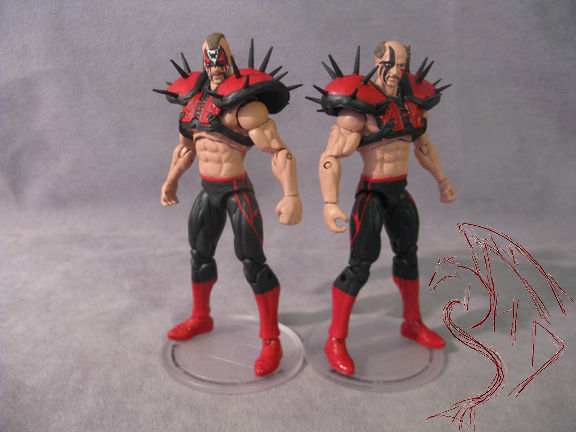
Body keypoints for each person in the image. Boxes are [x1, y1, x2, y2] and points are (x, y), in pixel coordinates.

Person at [154, 33, 302, 377]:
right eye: (210, 61)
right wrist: (171, 179)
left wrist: (291, 194)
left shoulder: (245, 107)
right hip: (208, 191)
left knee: (254, 263)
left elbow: (278, 150)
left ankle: (271, 339)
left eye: (221, 61)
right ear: (203, 63)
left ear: (230, 60)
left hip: (237, 192)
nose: (216, 67)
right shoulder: (192, 104)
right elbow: (186, 148)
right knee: (199, 256)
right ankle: (201, 318)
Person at [309, 41, 456, 376]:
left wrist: (441, 179)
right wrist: (329, 202)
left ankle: (412, 322)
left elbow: (424, 147)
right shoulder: (358, 109)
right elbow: (331, 156)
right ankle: (335, 340)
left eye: (403, 66)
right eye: (392, 64)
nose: (397, 72)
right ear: (378, 61)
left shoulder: (411, 106)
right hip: (371, 194)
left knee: (408, 256)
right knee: (359, 266)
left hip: (399, 192)